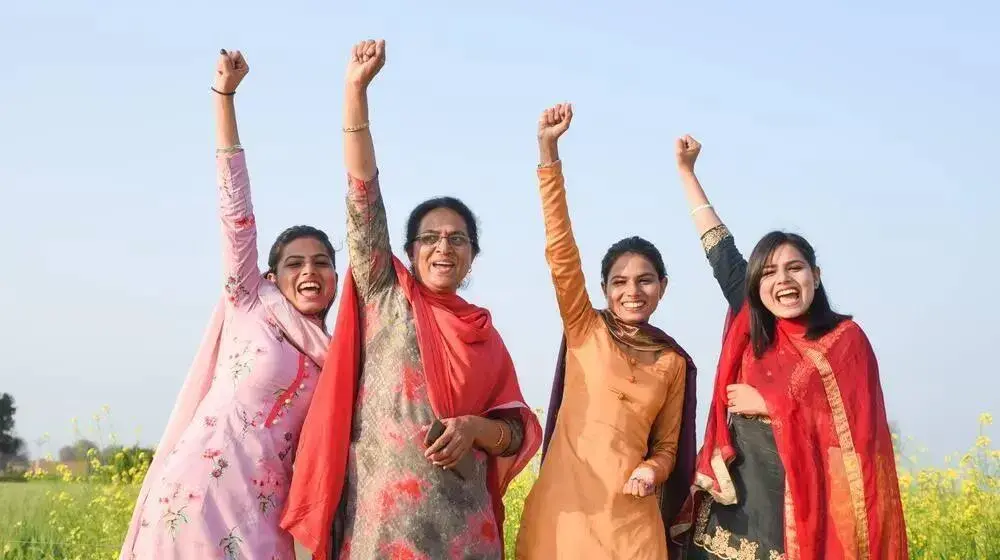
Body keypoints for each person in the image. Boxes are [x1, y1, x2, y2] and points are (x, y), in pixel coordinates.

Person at [280, 39, 542, 560]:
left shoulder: (484, 335)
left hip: (466, 531)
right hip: (383, 524)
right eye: (430, 237)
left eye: (457, 238)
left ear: (473, 255)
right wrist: (355, 92)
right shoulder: (385, 295)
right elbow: (362, 198)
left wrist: (474, 428)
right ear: (408, 251)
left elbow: (514, 434)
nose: (444, 246)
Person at [119, 50, 339, 560]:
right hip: (194, 498)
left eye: (322, 262)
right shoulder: (250, 303)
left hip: (266, 517)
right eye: (295, 263)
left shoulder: (340, 352)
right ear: (270, 274)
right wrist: (225, 98)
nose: (309, 271)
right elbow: (235, 209)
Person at [669, 135, 908, 559]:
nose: (783, 280)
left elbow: (859, 439)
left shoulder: (844, 342)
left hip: (797, 512)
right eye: (770, 272)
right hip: (729, 508)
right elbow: (720, 249)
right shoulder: (752, 322)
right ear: (757, 285)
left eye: (795, 268)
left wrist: (770, 403)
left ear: (815, 275)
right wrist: (687, 172)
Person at [515, 103, 698, 560]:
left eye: (644, 281)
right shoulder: (585, 328)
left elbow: (668, 447)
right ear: (603, 289)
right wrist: (548, 152)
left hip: (632, 526)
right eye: (619, 282)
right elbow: (561, 251)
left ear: (663, 288)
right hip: (565, 520)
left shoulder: (672, 362)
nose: (632, 291)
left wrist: (651, 472)